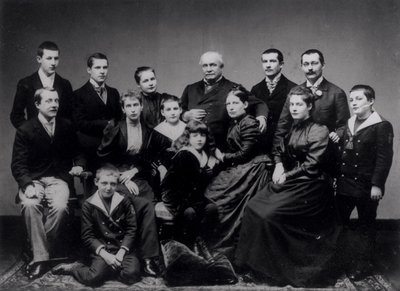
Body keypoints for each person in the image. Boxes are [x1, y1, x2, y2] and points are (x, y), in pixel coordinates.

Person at [235, 87, 339, 287]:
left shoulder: (319, 129)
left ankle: (271, 270)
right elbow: (279, 150)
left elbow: (312, 164)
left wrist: (285, 175)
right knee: (253, 206)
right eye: (292, 104)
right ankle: (251, 264)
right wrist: (279, 164)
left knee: (268, 215)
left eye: (299, 104)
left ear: (309, 106)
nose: (294, 108)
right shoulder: (293, 127)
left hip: (312, 185)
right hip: (292, 180)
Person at [11, 87, 85, 280]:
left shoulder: (66, 125)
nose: (54, 105)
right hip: (33, 180)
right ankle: (43, 258)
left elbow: (78, 153)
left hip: (58, 180)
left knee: (60, 207)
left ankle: (38, 254)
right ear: (37, 104)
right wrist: (28, 185)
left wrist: (78, 165)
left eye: (56, 101)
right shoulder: (25, 129)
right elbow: (18, 164)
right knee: (29, 204)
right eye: (49, 101)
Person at [97, 90, 160, 276]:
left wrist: (134, 171)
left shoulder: (148, 129)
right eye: (128, 106)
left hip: (138, 175)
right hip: (116, 177)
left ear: (141, 106)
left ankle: (149, 257)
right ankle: (130, 252)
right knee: (135, 202)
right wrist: (119, 175)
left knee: (149, 203)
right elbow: (102, 156)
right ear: (123, 109)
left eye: (136, 105)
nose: (133, 109)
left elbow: (149, 158)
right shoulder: (115, 127)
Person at [336, 85, 393, 280]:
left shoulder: (381, 125)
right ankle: (338, 261)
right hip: (345, 182)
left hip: (366, 185)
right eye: (351, 100)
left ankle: (363, 265)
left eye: (359, 99)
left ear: (371, 101)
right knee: (339, 222)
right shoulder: (350, 122)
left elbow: (384, 158)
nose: (353, 103)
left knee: (365, 227)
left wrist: (377, 184)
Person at [204, 86, 270, 255]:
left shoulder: (248, 122)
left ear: (245, 104)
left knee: (220, 197)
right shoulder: (236, 122)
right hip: (243, 167)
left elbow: (244, 154)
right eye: (228, 104)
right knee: (213, 191)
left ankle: (225, 246)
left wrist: (222, 156)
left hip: (254, 168)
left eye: (235, 103)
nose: (231, 107)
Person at [52, 165, 141, 286]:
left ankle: (107, 270)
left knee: (132, 274)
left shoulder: (124, 201)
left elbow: (132, 229)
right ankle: (74, 268)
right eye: (104, 183)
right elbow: (87, 235)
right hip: (103, 248)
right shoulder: (88, 205)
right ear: (96, 182)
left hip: (122, 247)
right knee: (92, 278)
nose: (108, 188)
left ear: (117, 184)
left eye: (113, 184)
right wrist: (106, 256)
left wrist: (121, 253)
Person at [273, 49, 350, 178]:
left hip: (323, 157)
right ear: (302, 66)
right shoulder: (295, 92)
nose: (310, 68)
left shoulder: (336, 93)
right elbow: (282, 126)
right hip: (296, 155)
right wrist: (278, 162)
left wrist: (338, 134)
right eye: (306, 64)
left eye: (314, 63)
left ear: (323, 65)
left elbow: (345, 125)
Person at [181, 51, 269, 150]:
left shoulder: (233, 88)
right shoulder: (190, 88)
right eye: (205, 66)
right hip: (194, 143)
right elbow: (179, 111)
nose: (208, 69)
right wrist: (186, 115)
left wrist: (261, 117)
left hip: (220, 144)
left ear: (221, 67)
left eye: (213, 65)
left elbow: (259, 103)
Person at [160, 120, 219, 258]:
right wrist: (205, 173)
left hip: (192, 193)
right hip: (175, 194)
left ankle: (202, 241)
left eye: (202, 135)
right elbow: (182, 184)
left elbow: (196, 184)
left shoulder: (203, 153)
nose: (199, 139)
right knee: (190, 212)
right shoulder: (185, 154)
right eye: (195, 136)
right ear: (188, 137)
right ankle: (189, 245)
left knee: (212, 209)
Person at [73, 53, 122, 171]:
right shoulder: (78, 95)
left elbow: (120, 119)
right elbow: (79, 124)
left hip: (112, 151)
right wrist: (106, 123)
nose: (102, 71)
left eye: (105, 67)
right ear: (89, 70)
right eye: (97, 67)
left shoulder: (113, 92)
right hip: (90, 151)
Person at [10, 41, 73, 128]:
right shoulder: (26, 83)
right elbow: (16, 116)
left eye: (56, 58)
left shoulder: (65, 84)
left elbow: (70, 116)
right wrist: (30, 133)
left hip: (59, 139)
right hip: (34, 139)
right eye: (49, 58)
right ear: (39, 59)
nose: (53, 63)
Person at [251, 48, 296, 155]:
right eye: (265, 61)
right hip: (261, 144)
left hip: (285, 143)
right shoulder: (255, 89)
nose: (268, 65)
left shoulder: (292, 88)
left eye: (272, 61)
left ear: (281, 64)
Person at [146, 95, 186, 184]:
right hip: (163, 170)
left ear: (180, 110)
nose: (172, 113)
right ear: (162, 112)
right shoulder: (157, 131)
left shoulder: (187, 129)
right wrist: (160, 167)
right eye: (168, 109)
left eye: (175, 109)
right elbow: (150, 155)